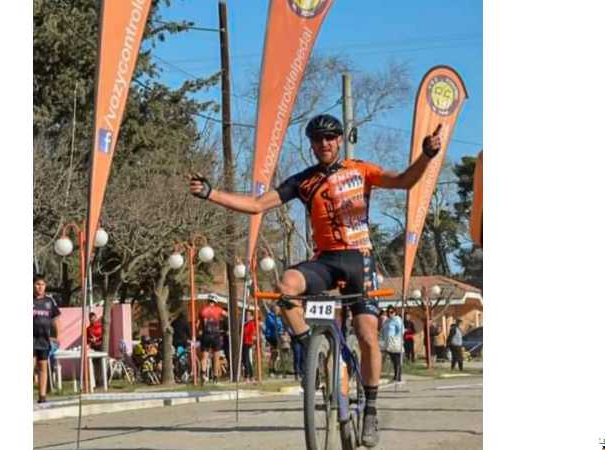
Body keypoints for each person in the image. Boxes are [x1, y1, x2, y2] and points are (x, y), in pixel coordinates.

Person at [190, 113, 443, 447]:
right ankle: (311, 347)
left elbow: (404, 181)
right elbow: (256, 205)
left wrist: (426, 155)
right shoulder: (304, 181)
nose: (325, 143)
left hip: (359, 260)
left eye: (330, 138)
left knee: (368, 335)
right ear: (311, 145)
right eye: (318, 139)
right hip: (326, 261)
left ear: (339, 141)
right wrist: (211, 193)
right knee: (286, 286)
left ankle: (370, 409)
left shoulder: (360, 170)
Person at [33, 274, 60, 403]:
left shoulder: (50, 301)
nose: (40, 287)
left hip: (44, 339)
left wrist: (57, 337)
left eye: (42, 284)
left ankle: (42, 396)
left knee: (43, 366)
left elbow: (56, 320)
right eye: (37, 284)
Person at [198, 298, 226, 382]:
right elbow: (226, 315)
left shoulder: (203, 310)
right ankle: (216, 376)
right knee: (216, 357)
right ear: (215, 302)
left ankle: (203, 374)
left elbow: (197, 324)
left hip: (206, 335)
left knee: (205, 356)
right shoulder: (218, 309)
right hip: (216, 335)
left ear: (208, 302)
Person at [380, 306, 403, 382]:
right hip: (388, 342)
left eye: (391, 312)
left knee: (397, 359)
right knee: (393, 360)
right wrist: (382, 339)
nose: (390, 313)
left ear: (395, 312)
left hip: (395, 342)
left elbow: (401, 330)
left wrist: (396, 338)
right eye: (388, 312)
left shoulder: (397, 320)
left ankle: (398, 375)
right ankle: (395, 374)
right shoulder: (387, 321)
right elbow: (383, 330)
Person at [263, 304, 285, 377]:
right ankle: (271, 370)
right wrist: (279, 328)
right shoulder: (270, 316)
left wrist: (281, 331)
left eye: (278, 309)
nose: (278, 311)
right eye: (277, 309)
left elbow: (280, 326)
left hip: (276, 337)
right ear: (274, 309)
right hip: (270, 337)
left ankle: (274, 369)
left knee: (275, 354)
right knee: (273, 353)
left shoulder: (278, 317)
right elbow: (274, 325)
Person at [242, 311, 257, 382]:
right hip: (244, 342)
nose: (246, 316)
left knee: (246, 359)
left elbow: (250, 333)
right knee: (246, 359)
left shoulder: (251, 323)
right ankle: (251, 376)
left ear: (251, 317)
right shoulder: (245, 324)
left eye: (248, 315)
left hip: (248, 342)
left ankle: (248, 376)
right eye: (246, 315)